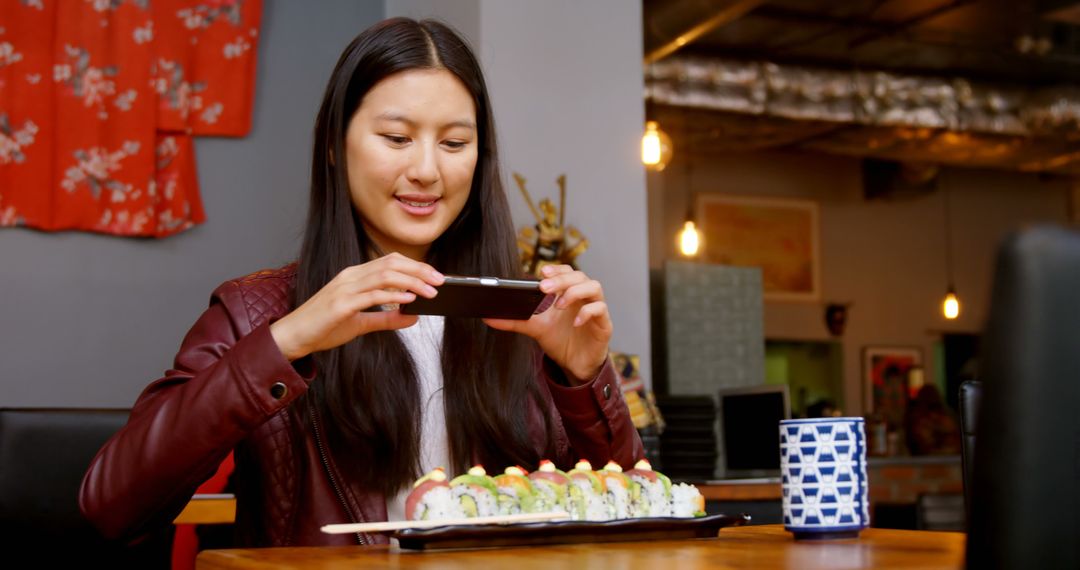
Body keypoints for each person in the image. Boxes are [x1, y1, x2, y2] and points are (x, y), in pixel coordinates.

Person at [79, 17, 643, 548]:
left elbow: (632, 515)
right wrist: (286, 342)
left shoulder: (527, 319)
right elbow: (112, 506)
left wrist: (583, 377)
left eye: (453, 143)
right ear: (334, 145)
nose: (427, 169)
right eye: (397, 138)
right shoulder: (256, 311)